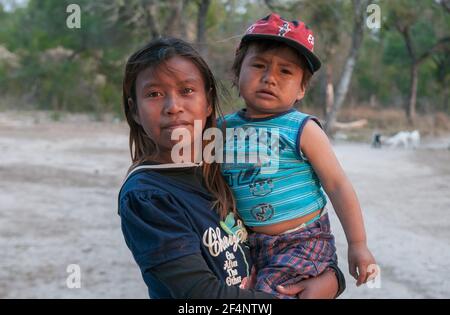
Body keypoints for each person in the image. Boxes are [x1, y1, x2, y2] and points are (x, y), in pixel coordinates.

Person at [118, 37, 345, 299]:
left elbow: (284, 237)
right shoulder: (147, 195)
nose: (173, 107)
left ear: (209, 102)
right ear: (134, 110)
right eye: (154, 94)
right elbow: (202, 295)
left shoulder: (221, 167)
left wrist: (333, 279)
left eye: (187, 90)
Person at [220, 13, 377, 298]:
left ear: (301, 88)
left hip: (302, 241)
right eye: (258, 65)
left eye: (286, 72)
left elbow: (337, 185)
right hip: (246, 241)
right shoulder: (222, 128)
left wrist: (358, 243)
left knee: (269, 296)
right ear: (236, 72)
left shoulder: (301, 129)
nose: (270, 78)